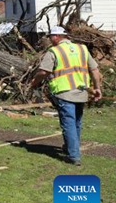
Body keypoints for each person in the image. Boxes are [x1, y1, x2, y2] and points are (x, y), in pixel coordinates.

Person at [30, 26, 103, 166]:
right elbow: (94, 70)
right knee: (76, 123)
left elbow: (44, 72)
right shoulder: (82, 49)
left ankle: (74, 156)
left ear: (57, 37)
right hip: (81, 93)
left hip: (64, 93)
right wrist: (97, 88)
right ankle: (71, 148)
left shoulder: (54, 51)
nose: (50, 39)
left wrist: (34, 82)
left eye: (50, 36)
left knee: (68, 123)